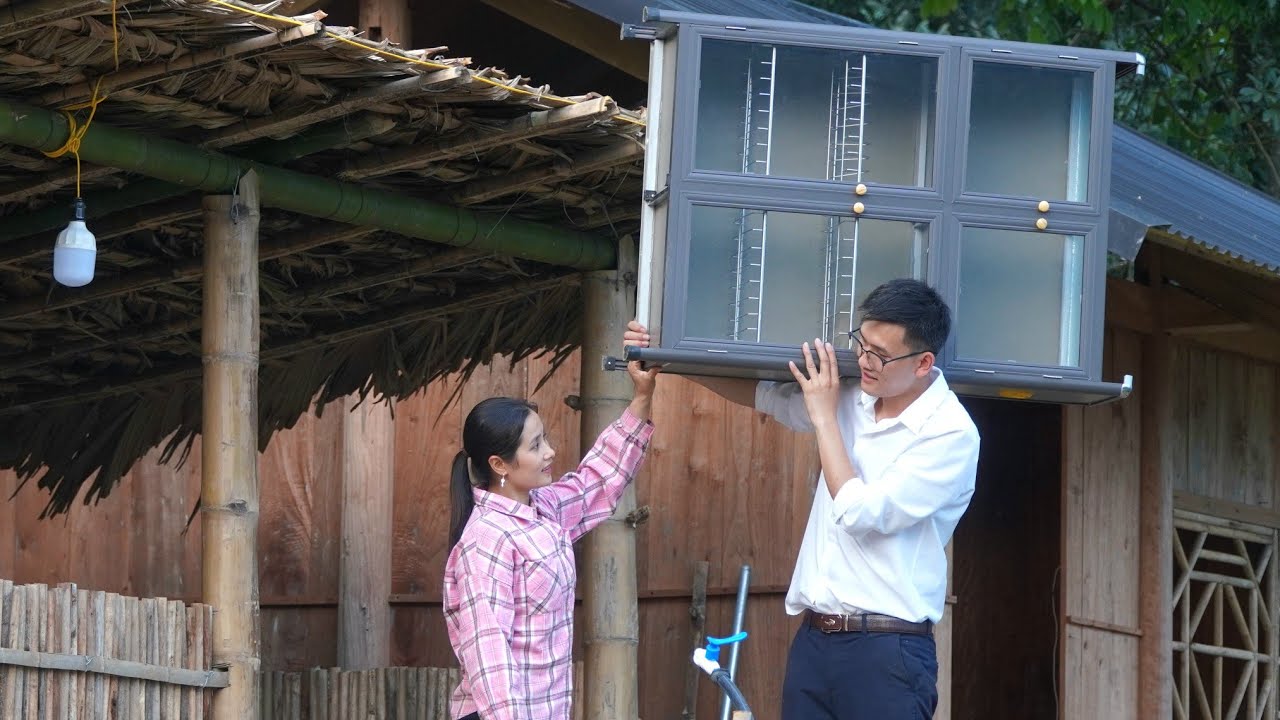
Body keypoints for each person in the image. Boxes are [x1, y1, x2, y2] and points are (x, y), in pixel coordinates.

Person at [626, 278, 979, 720]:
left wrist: (824, 418)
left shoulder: (951, 433)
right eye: (861, 344)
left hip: (889, 650)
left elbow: (860, 512)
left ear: (923, 362)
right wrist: (665, 357)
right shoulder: (857, 394)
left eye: (880, 356)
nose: (864, 362)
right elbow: (767, 398)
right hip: (815, 638)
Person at [442, 350, 659, 720]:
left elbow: (598, 479)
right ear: (499, 464)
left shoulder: (544, 509)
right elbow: (489, 656)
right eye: (536, 445)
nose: (550, 452)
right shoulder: (487, 541)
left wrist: (642, 397)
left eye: (545, 439)